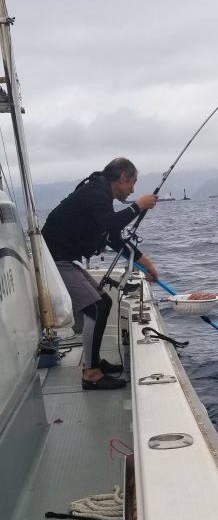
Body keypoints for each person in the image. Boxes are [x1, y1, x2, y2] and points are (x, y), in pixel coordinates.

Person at [42, 157, 158, 390]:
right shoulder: (96, 192)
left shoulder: (101, 194)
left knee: (103, 302)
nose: (133, 189)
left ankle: (94, 362)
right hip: (54, 260)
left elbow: (113, 237)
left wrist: (145, 263)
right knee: (96, 307)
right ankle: (91, 374)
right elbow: (112, 224)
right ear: (122, 177)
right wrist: (139, 206)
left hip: (63, 258)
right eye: (132, 183)